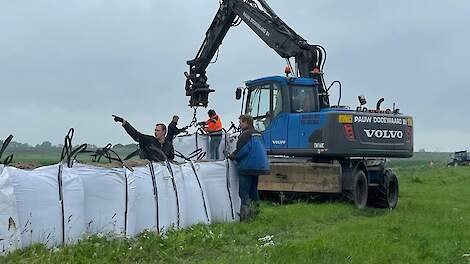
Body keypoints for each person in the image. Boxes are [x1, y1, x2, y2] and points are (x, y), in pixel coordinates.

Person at [228, 114, 269, 221]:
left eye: (241, 122)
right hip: (259, 166)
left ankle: (245, 218)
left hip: (247, 167)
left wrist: (232, 156)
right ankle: (256, 214)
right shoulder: (258, 134)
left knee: (244, 193)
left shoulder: (245, 135)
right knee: (253, 192)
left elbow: (241, 151)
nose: (239, 124)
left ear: (246, 122)